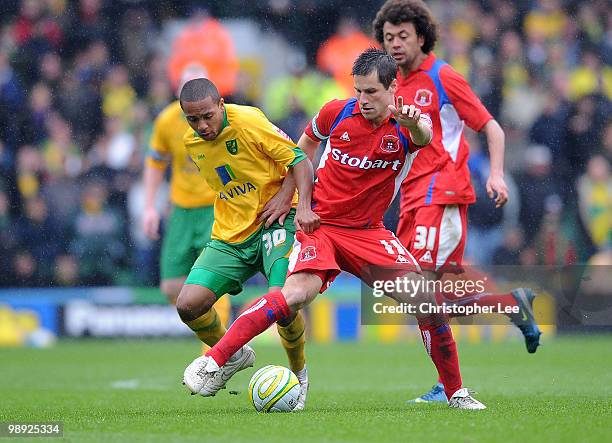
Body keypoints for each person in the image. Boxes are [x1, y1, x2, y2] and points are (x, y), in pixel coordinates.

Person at [184, 48, 487, 410]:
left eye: (371, 92)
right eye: (358, 90)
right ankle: (213, 361)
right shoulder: (336, 112)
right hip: (322, 227)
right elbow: (305, 146)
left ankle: (456, 393)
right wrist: (298, 201)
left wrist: (412, 124)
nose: (362, 100)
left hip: (368, 233)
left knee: (426, 301)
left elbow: (422, 135)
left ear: (393, 87)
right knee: (293, 296)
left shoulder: (406, 126)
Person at [373, 0, 542, 403]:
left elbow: (491, 127)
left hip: (442, 192)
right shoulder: (390, 81)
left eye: (403, 36)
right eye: (389, 37)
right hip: (411, 198)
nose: (395, 44)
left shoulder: (443, 75)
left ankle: (449, 386)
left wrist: (497, 174)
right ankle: (510, 305)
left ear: (421, 36)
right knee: (432, 298)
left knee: (422, 294)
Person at [176, 77, 318, 410]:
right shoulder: (191, 142)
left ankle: (300, 374)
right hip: (230, 235)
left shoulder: (250, 121)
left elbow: (299, 160)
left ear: (221, 105)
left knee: (283, 304)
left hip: (275, 223)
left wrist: (297, 204)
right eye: (193, 119)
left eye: (208, 115)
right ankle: (235, 355)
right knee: (188, 304)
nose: (202, 125)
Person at [143, 66, 232, 349]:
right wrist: (149, 206)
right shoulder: (167, 121)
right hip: (181, 209)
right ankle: (214, 332)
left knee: (214, 277)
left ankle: (216, 349)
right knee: (171, 286)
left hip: (216, 206)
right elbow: (155, 162)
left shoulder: (225, 117)